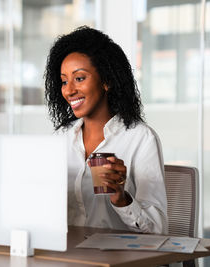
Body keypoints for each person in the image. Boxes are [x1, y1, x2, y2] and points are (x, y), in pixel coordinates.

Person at [44, 26, 167, 234]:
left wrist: (122, 197)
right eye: (64, 81)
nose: (69, 90)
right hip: (68, 254)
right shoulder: (60, 138)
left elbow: (158, 229)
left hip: (118, 258)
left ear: (107, 81)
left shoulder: (140, 138)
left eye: (80, 78)